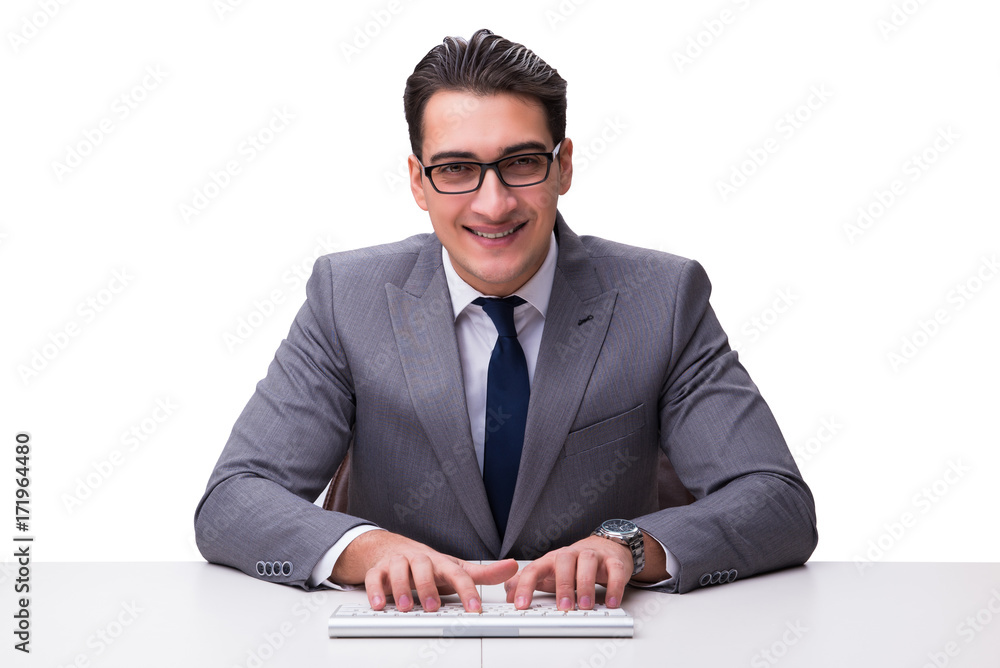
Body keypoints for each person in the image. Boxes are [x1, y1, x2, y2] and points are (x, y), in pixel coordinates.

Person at [195, 28, 817, 615]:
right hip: (396, 638)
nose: (493, 204)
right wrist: (367, 550)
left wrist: (629, 546)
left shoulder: (663, 298)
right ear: (418, 181)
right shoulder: (346, 298)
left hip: (597, 639)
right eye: (457, 169)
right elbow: (233, 500)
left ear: (564, 165)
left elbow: (775, 501)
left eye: (521, 162)